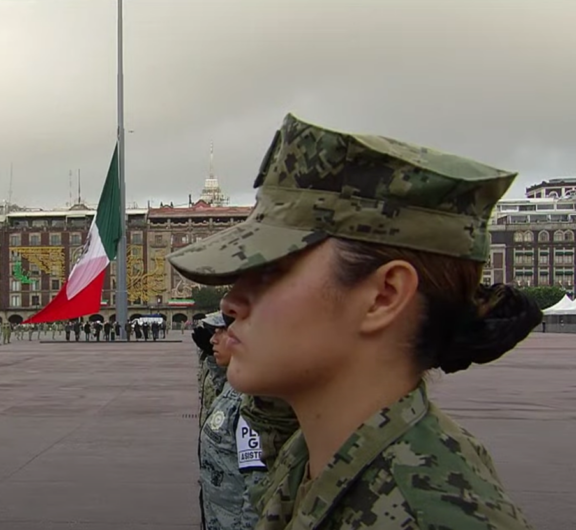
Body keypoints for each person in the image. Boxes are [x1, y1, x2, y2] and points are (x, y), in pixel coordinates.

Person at [166, 114, 542, 529]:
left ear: (383, 297)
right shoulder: (316, 452)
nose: (231, 301)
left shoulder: (430, 514)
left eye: (275, 270)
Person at [197, 310, 267, 530]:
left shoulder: (254, 400)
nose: (212, 339)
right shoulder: (232, 386)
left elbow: (256, 490)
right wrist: (209, 356)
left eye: (221, 331)